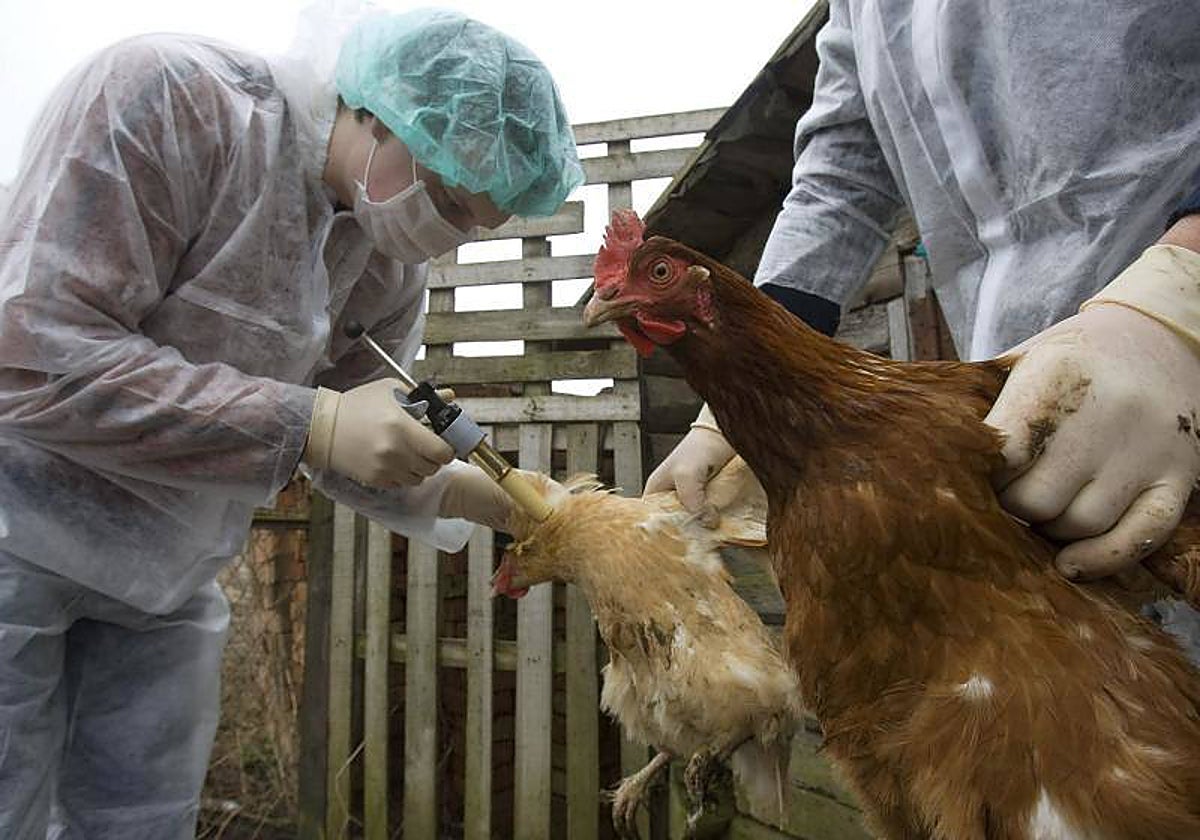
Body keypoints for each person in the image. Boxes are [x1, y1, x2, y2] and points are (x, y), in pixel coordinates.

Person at [0, 6, 581, 837]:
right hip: (15, 530)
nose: (445, 238)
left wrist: (458, 491)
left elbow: (345, 434)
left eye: (474, 225)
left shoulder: (385, 258)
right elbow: (32, 353)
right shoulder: (172, 102)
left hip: (166, 576)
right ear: (379, 112)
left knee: (136, 819)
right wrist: (308, 420)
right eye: (448, 199)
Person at [648, 2, 1200, 586]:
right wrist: (740, 392)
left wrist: (1173, 306)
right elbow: (839, 177)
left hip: (1165, 332)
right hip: (1011, 385)